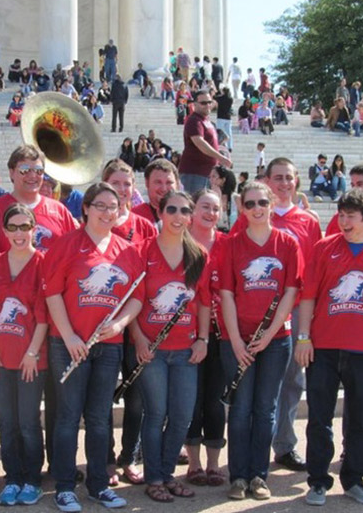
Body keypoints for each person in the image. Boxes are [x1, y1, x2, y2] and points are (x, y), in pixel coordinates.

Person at [294, 189, 363, 507]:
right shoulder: (323, 248)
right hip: (325, 346)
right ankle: (317, 481)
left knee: (361, 420)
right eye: (340, 215)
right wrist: (304, 337)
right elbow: (308, 296)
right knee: (319, 418)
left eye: (351, 216)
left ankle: (355, 479)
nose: (343, 221)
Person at [43, 183, 142, 512]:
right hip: (69, 345)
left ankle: (99, 485)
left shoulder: (126, 249)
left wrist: (119, 325)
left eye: (113, 206)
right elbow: (53, 293)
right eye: (100, 205)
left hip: (108, 346)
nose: (107, 212)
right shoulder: (67, 244)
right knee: (69, 417)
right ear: (85, 208)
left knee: (100, 419)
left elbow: (137, 298)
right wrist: (69, 336)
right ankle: (65, 487)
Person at [230, 158, 322, 474]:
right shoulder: (248, 216)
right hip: (250, 310)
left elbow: (314, 269)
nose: (284, 183)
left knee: (292, 379)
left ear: (297, 182)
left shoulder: (308, 221)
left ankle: (284, 445)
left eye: (289, 178)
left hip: (294, 309)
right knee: (251, 385)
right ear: (267, 181)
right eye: (278, 178)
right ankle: (251, 449)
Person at [219, 182, 302, 501]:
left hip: (275, 340)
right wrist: (237, 342)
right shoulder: (231, 244)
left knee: (266, 408)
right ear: (241, 207)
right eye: (250, 203)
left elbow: (291, 293)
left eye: (263, 202)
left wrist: (268, 336)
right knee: (240, 408)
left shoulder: (287, 243)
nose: (257, 208)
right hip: (237, 339)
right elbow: (226, 294)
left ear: (273, 203)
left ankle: (258, 475)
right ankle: (237, 476)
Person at [126, 191, 210, 503]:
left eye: (184, 210)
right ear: (160, 213)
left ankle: (167, 473)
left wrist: (202, 339)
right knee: (156, 411)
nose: (178, 216)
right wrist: (138, 337)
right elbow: (133, 299)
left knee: (182, 415)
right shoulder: (141, 250)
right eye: (171, 209)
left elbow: (203, 302)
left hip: (186, 349)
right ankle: (155, 477)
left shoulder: (198, 254)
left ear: (190, 216)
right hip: (153, 350)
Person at [0, 204, 49, 506]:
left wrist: (33, 353)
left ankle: (32, 479)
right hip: (0, 356)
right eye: (14, 227)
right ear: (5, 231)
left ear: (34, 229)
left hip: (30, 358)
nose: (20, 233)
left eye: (25, 227)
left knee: (28, 422)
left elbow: (45, 316)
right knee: (7, 422)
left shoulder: (42, 264)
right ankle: (12, 478)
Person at [102, 159, 157, 484]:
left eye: (127, 183)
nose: (123, 189)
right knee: (103, 398)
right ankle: (106, 459)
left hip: (137, 324)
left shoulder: (145, 226)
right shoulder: (96, 221)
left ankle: (129, 458)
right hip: (103, 325)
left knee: (136, 398)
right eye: (116, 183)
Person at [181, 190, 226, 488]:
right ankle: (193, 463)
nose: (210, 213)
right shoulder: (179, 241)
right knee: (191, 400)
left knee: (214, 400)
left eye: (215, 208)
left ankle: (213, 464)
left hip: (221, 334)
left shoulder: (229, 243)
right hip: (187, 334)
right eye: (204, 207)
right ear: (192, 210)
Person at [0, 146, 77, 253]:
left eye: (38, 170)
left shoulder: (60, 210)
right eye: (24, 170)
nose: (32, 175)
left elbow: (74, 251)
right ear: (11, 173)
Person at [178, 90, 232, 194]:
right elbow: (200, 143)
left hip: (207, 173)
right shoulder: (194, 120)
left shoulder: (206, 121)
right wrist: (220, 157)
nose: (207, 105)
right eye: (203, 103)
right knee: (194, 206)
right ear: (195, 104)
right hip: (194, 173)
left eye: (209, 102)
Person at [131, 158, 179, 228]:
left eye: (169, 182)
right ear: (147, 183)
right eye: (158, 182)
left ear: (177, 184)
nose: (164, 189)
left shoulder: (187, 218)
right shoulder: (134, 217)